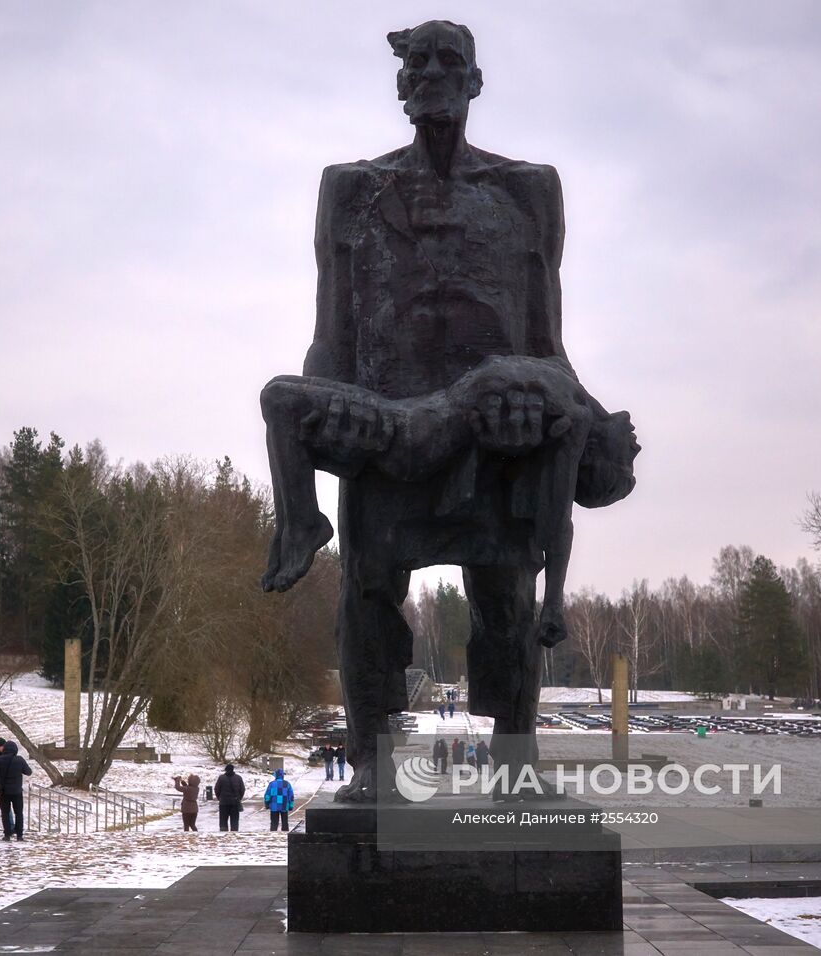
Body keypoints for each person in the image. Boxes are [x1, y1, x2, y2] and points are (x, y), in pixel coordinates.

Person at [257, 20, 639, 802]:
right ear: (401, 84)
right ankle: (374, 762)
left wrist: (589, 428)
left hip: (499, 441)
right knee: (367, 589)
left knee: (507, 599)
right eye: (418, 62)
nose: (433, 73)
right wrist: (327, 422)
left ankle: (516, 762)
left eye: (450, 61)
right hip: (389, 427)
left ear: (474, 80)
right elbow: (330, 335)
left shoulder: (527, 189)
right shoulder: (352, 189)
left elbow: (545, 338)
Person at [0, 740, 32, 842]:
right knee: (18, 813)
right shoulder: (19, 760)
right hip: (17, 791)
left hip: (4, 791)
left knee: (5, 813)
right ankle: (19, 835)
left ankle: (7, 835)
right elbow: (28, 772)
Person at [215, 763, 245, 832]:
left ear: (226, 770)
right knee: (234, 821)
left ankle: (223, 834)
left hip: (223, 803)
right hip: (235, 803)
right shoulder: (238, 778)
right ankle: (234, 833)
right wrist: (239, 798)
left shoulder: (221, 778)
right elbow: (242, 789)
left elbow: (217, 789)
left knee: (223, 821)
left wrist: (220, 798)